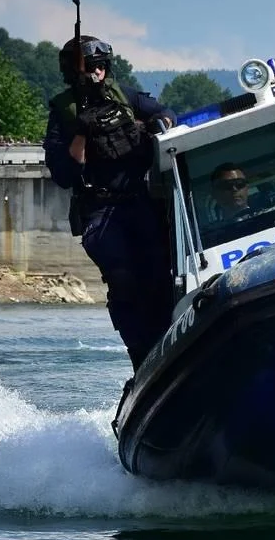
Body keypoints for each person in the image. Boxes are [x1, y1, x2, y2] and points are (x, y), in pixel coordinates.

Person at [43, 35, 176, 371]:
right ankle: (141, 360)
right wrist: (83, 131)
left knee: (161, 275)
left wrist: (158, 124)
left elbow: (164, 113)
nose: (97, 74)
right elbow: (62, 172)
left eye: (102, 66)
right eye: (90, 68)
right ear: (73, 72)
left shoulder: (123, 95)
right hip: (101, 211)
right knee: (123, 282)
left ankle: (173, 343)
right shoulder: (63, 112)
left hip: (141, 200)